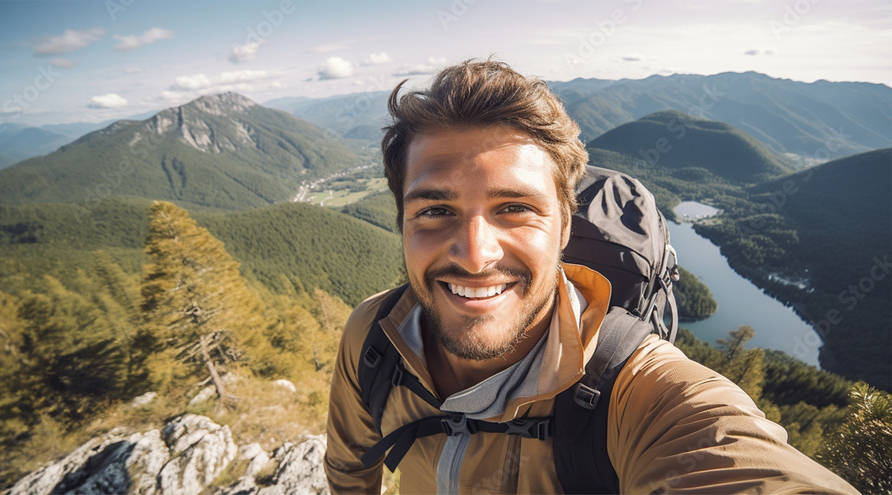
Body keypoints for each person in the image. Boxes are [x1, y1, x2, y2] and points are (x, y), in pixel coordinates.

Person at [324, 59, 857, 494]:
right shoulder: (375, 336)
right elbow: (350, 474)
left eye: (514, 208)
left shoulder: (640, 393)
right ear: (401, 223)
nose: (474, 255)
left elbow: (739, 461)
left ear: (563, 228)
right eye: (435, 211)